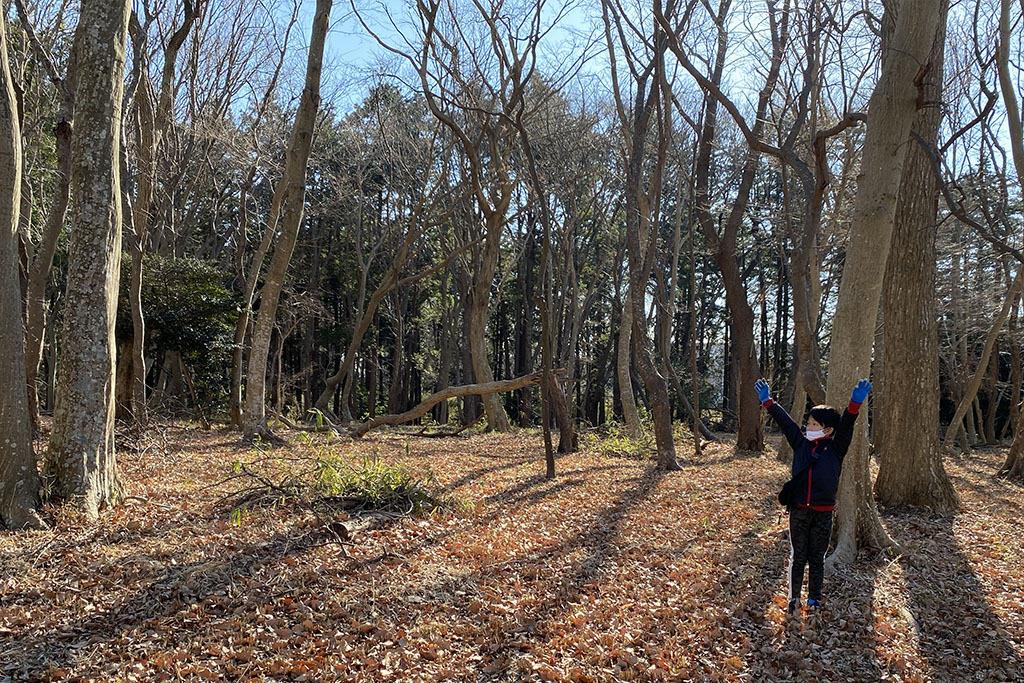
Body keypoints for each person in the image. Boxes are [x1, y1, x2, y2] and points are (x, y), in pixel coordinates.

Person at [753, 377, 872, 616]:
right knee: (798, 556)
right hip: (798, 510)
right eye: (808, 423)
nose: (809, 427)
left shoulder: (836, 448)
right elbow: (786, 424)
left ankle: (814, 599)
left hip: (823, 513)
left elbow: (847, 425)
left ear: (827, 430)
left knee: (817, 558)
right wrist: (768, 402)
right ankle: (794, 597)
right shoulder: (801, 444)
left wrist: (854, 405)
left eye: (815, 424)